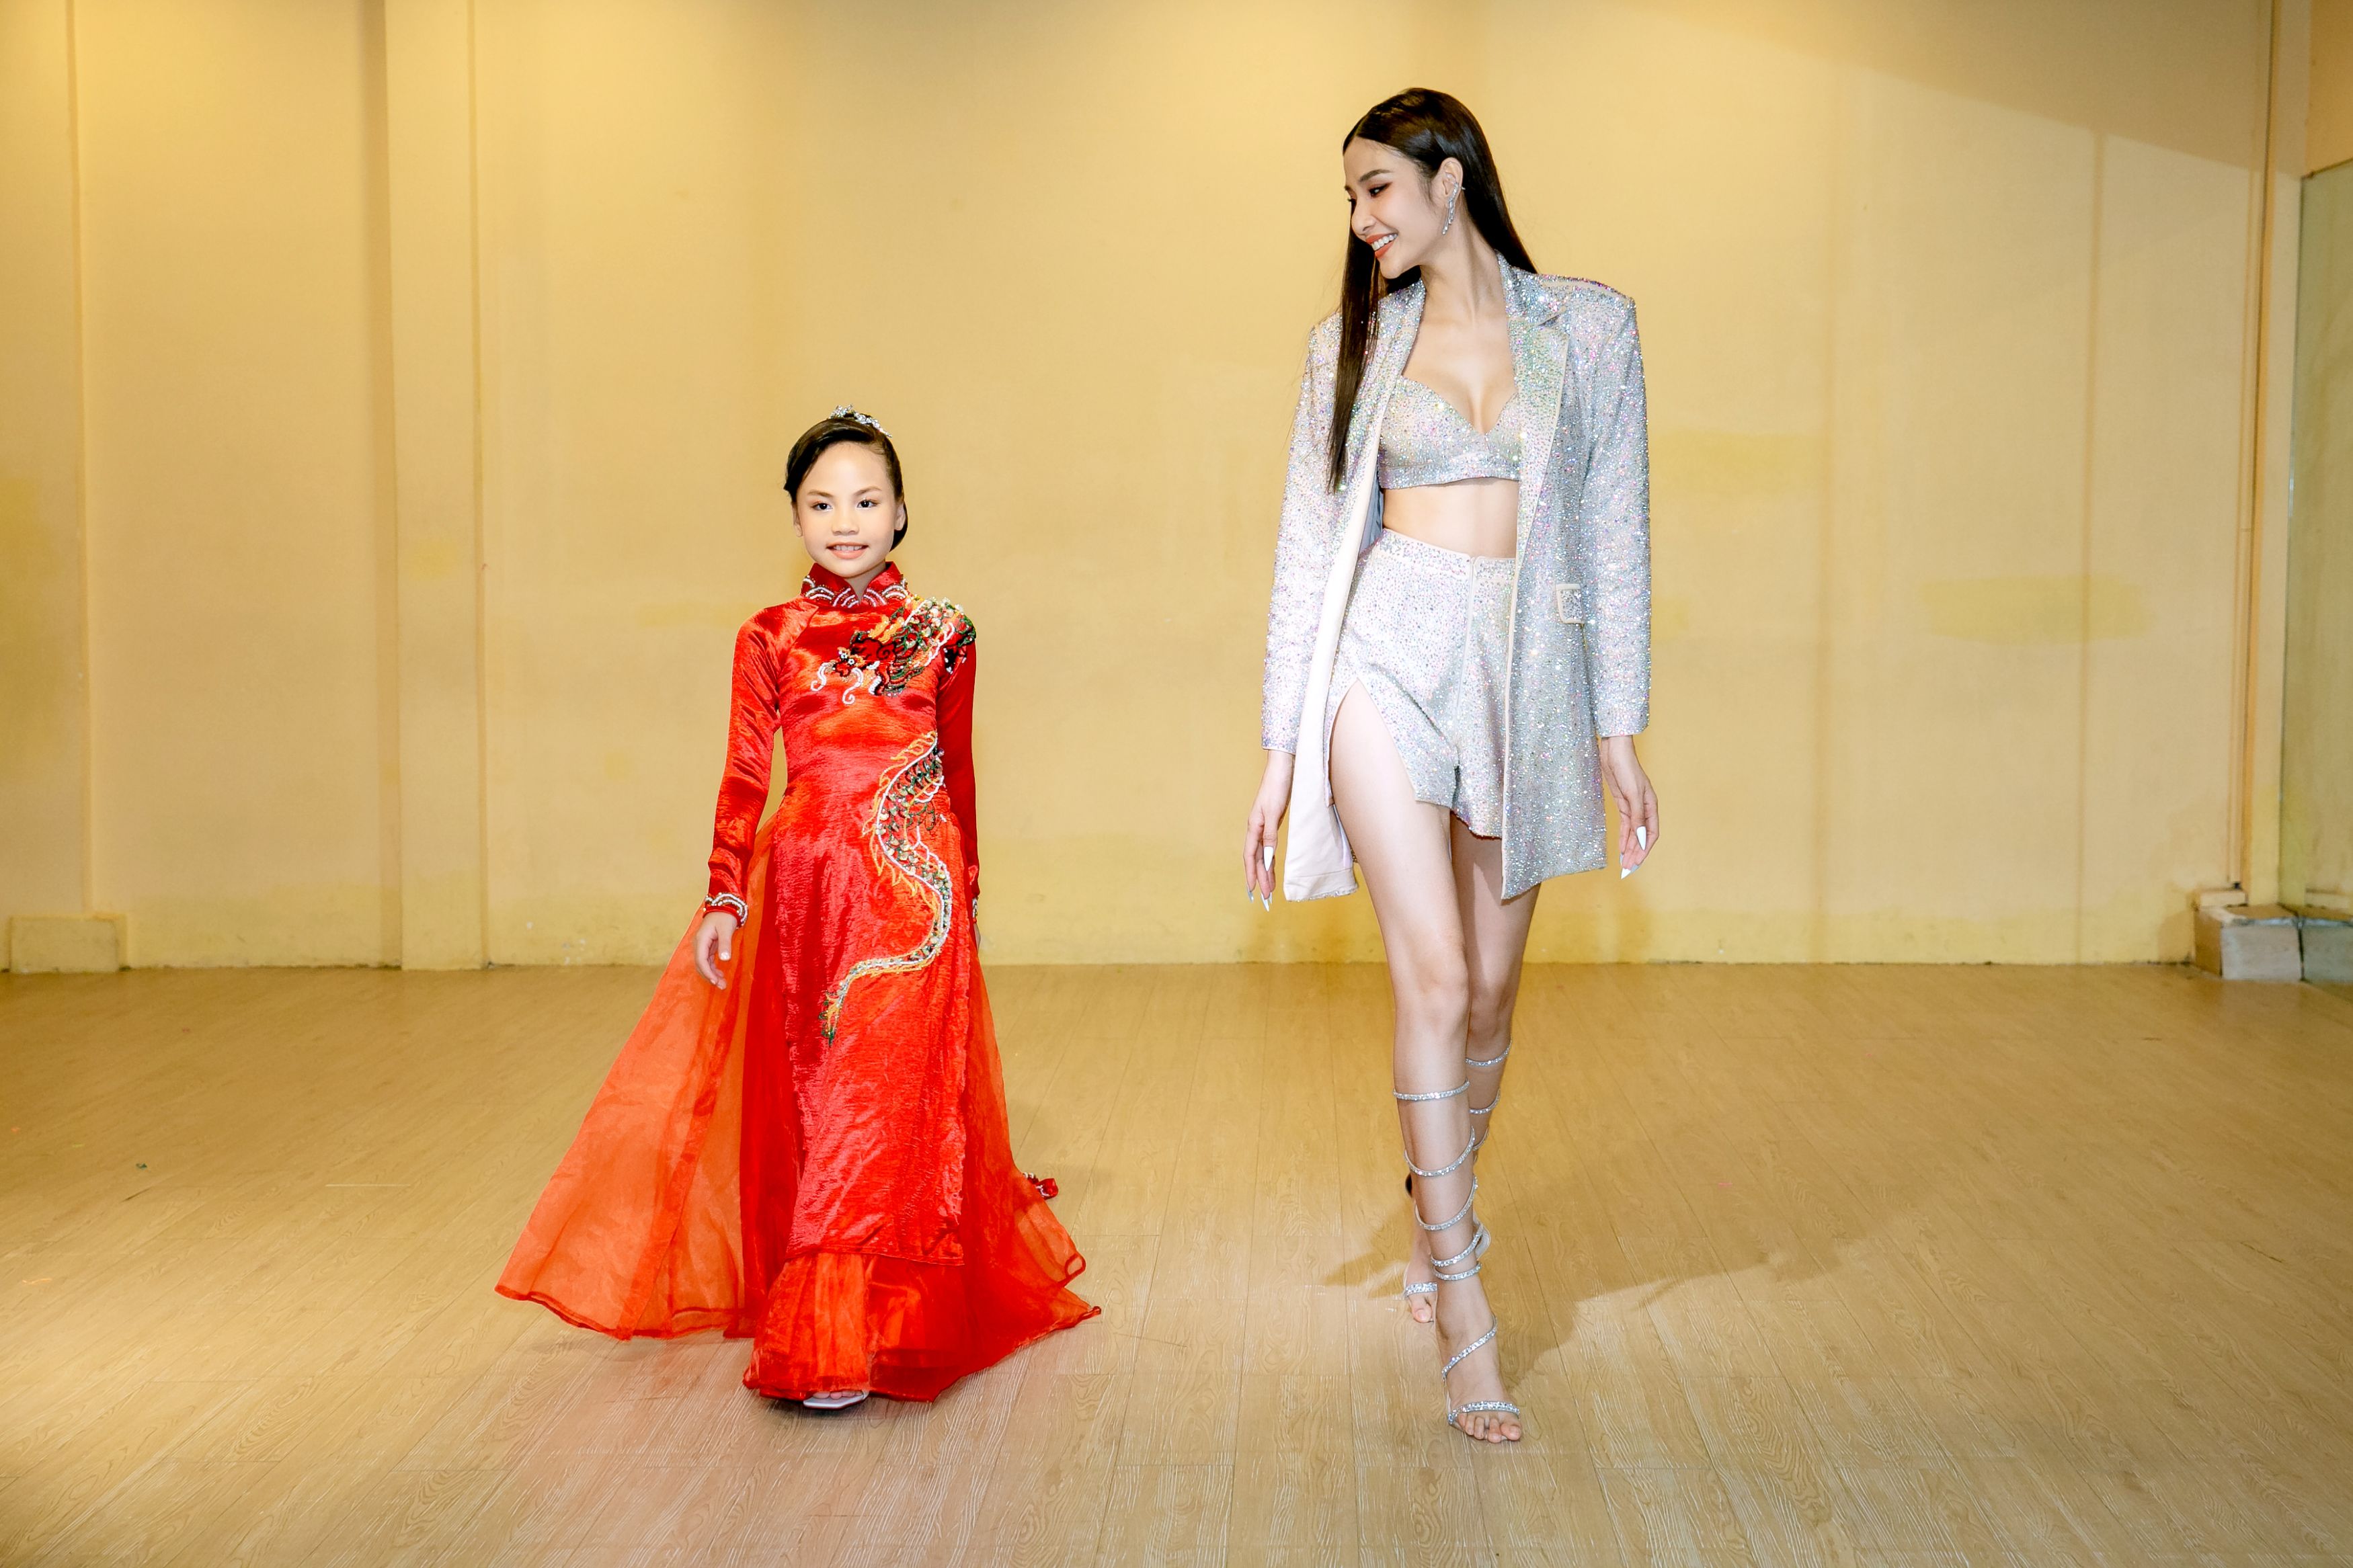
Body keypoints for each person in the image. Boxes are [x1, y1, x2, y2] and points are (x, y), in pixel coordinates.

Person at [500, 408, 1094, 1409]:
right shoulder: (768, 636)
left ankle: (837, 1333)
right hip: (808, 891)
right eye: (822, 504)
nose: (845, 521)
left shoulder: (946, 631)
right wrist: (725, 892)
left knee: (880, 1098)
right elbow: (745, 775)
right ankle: (850, 1304)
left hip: (915, 896)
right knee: (822, 1096)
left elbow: (958, 771)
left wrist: (969, 887)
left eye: (866, 501)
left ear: (901, 513)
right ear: (794, 517)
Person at [1243, 89, 1659, 1443]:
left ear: (1448, 179)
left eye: (1376, 189)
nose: (1361, 218)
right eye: (1351, 197)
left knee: (1485, 996)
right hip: (1388, 657)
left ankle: (1437, 1207)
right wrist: (1280, 752)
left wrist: (1618, 729)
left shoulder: (1587, 327)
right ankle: (1463, 1302)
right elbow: (1311, 548)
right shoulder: (1350, 346)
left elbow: (1615, 530)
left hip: (1526, 671)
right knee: (1428, 973)